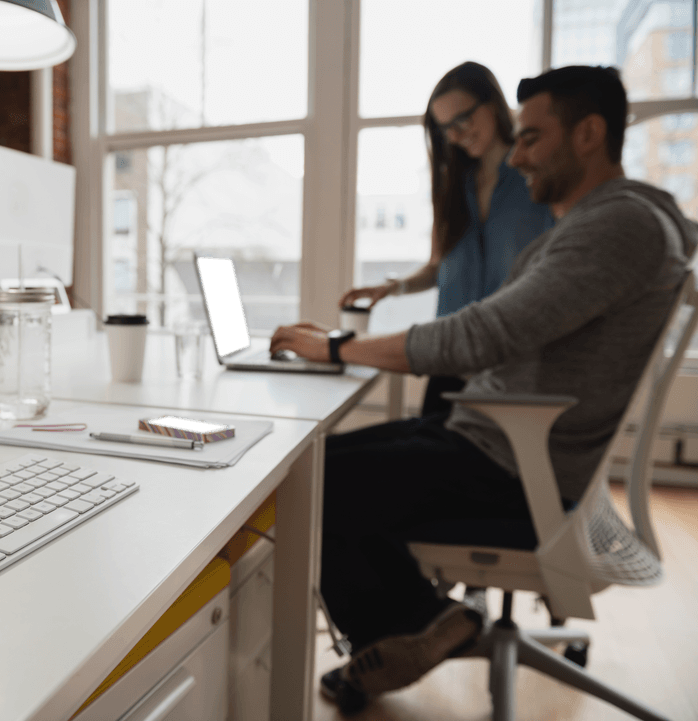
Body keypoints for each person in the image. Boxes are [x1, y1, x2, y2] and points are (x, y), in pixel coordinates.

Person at [271, 66, 696, 709]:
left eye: (532, 138)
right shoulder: (607, 221)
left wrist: (336, 347)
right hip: (497, 433)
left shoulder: (617, 226)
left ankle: (410, 626)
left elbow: (486, 333)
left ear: (589, 134)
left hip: (516, 464)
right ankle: (415, 620)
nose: (518, 155)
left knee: (307, 482)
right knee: (308, 463)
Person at [341, 62, 554, 417]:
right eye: (444, 129)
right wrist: (391, 287)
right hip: (451, 359)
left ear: (493, 104)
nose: (455, 135)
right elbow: (438, 266)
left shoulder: (537, 180)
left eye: (463, 119)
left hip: (509, 366)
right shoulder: (452, 184)